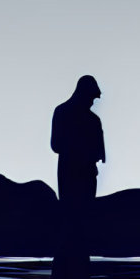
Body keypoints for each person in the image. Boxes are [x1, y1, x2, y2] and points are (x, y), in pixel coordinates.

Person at [51, 75, 105, 206]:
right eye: (91, 97)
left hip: (88, 175)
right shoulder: (62, 112)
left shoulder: (94, 121)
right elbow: (56, 145)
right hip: (69, 174)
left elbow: (100, 153)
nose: (92, 102)